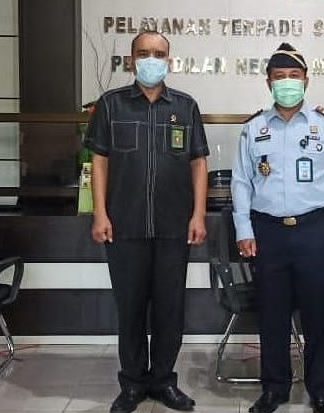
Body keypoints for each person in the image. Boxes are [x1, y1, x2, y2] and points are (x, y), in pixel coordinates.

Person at [85, 31, 208, 413]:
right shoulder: (111, 104)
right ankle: (133, 383)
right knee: (131, 309)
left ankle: (164, 381)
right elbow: (99, 161)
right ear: (131, 59)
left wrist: (198, 214)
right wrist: (100, 212)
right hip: (124, 226)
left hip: (174, 226)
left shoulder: (185, 107)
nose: (151, 60)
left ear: (168, 60)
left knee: (170, 310)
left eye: (158, 54)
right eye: (143, 53)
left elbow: (198, 163)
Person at [231, 43, 324, 413]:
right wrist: (243, 229)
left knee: (318, 315)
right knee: (272, 314)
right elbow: (241, 182)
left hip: (314, 229)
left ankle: (320, 390)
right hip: (267, 232)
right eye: (280, 77)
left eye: (294, 76)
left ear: (306, 80)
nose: (287, 82)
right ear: (268, 82)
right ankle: (275, 388)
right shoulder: (253, 128)